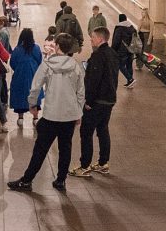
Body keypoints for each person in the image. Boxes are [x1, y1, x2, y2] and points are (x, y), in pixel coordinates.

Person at [7, 33, 86, 192]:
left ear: (57, 46)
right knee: (65, 149)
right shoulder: (76, 66)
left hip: (51, 115)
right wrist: (79, 114)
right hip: (69, 116)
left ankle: (27, 180)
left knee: (40, 149)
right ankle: (61, 180)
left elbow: (35, 87)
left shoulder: (47, 65)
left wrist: (32, 104)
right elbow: (81, 93)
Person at [71, 27, 119, 178]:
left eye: (92, 37)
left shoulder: (98, 55)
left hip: (97, 101)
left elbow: (93, 81)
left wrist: (88, 101)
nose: (91, 40)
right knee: (103, 130)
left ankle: (84, 166)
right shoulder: (112, 54)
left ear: (100, 39)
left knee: (86, 132)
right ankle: (103, 163)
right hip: (109, 99)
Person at [9, 28, 43, 126]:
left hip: (20, 77)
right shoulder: (36, 48)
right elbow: (39, 61)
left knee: (20, 95)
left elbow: (13, 63)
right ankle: (35, 118)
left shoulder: (17, 49)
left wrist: (19, 70)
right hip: (33, 76)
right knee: (34, 96)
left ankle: (20, 118)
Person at [110, 14, 138, 88]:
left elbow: (116, 41)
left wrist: (113, 49)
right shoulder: (132, 28)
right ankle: (130, 82)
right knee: (129, 65)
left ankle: (130, 79)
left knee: (120, 65)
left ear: (119, 20)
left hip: (122, 51)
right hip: (131, 50)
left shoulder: (119, 29)